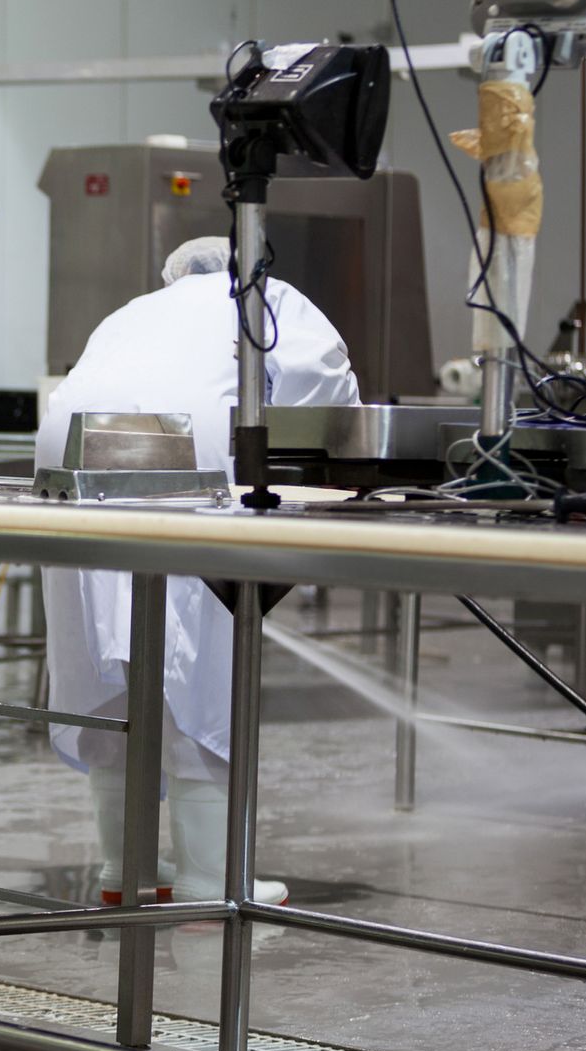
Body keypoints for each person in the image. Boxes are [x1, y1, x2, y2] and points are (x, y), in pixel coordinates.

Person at [34, 235, 359, 907]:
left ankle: (123, 870)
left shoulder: (134, 309)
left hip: (73, 457)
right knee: (200, 656)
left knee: (106, 660)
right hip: (185, 453)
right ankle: (211, 882)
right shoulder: (265, 302)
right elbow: (332, 393)